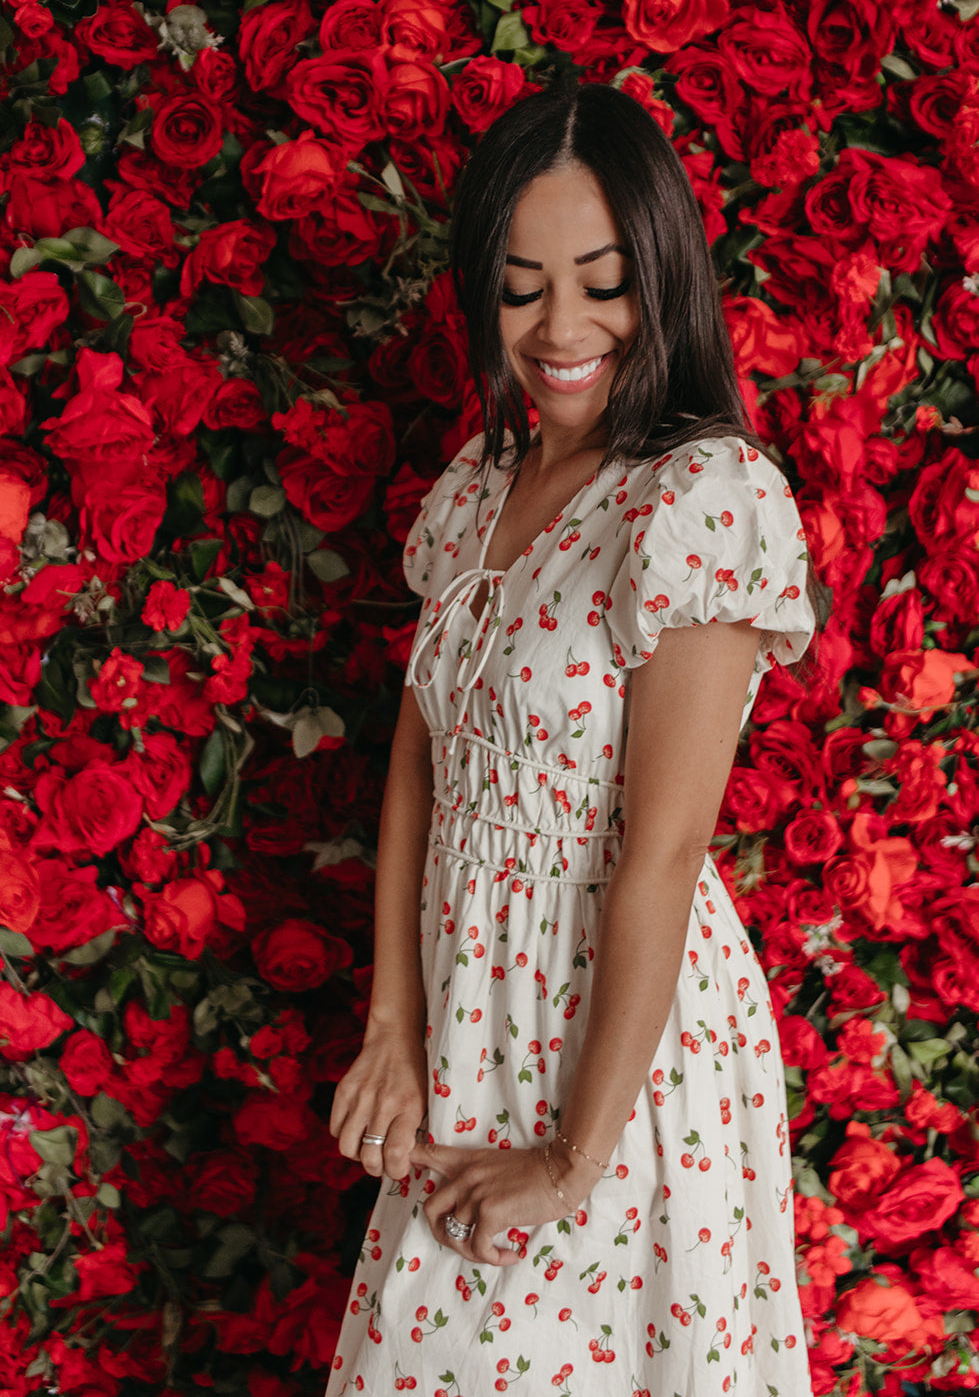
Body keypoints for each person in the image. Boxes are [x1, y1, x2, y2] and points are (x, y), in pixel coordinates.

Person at [326, 83, 817, 1395]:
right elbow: (424, 770)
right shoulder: (477, 487)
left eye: (602, 283)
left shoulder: (700, 498)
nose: (560, 329)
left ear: (661, 276)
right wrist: (393, 1023)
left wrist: (569, 1162)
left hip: (619, 1056)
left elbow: (661, 854)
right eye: (520, 285)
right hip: (469, 1025)